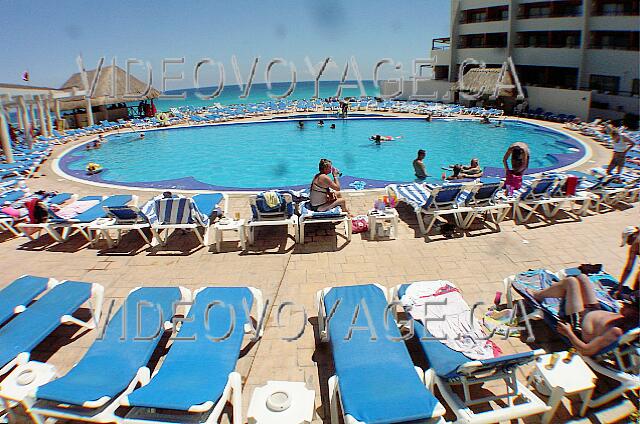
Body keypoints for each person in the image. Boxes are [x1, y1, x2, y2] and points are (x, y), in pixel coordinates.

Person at [527, 273, 639, 356]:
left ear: (635, 312)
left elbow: (586, 350)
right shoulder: (632, 320)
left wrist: (568, 333)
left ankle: (538, 295)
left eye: (629, 304)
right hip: (594, 311)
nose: (624, 303)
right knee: (582, 278)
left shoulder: (616, 332)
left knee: (571, 282)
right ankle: (556, 289)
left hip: (578, 323)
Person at [617, 226, 640, 298]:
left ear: (632, 236)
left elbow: (628, 269)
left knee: (635, 295)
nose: (629, 244)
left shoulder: (636, 243)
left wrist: (620, 287)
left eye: (628, 242)